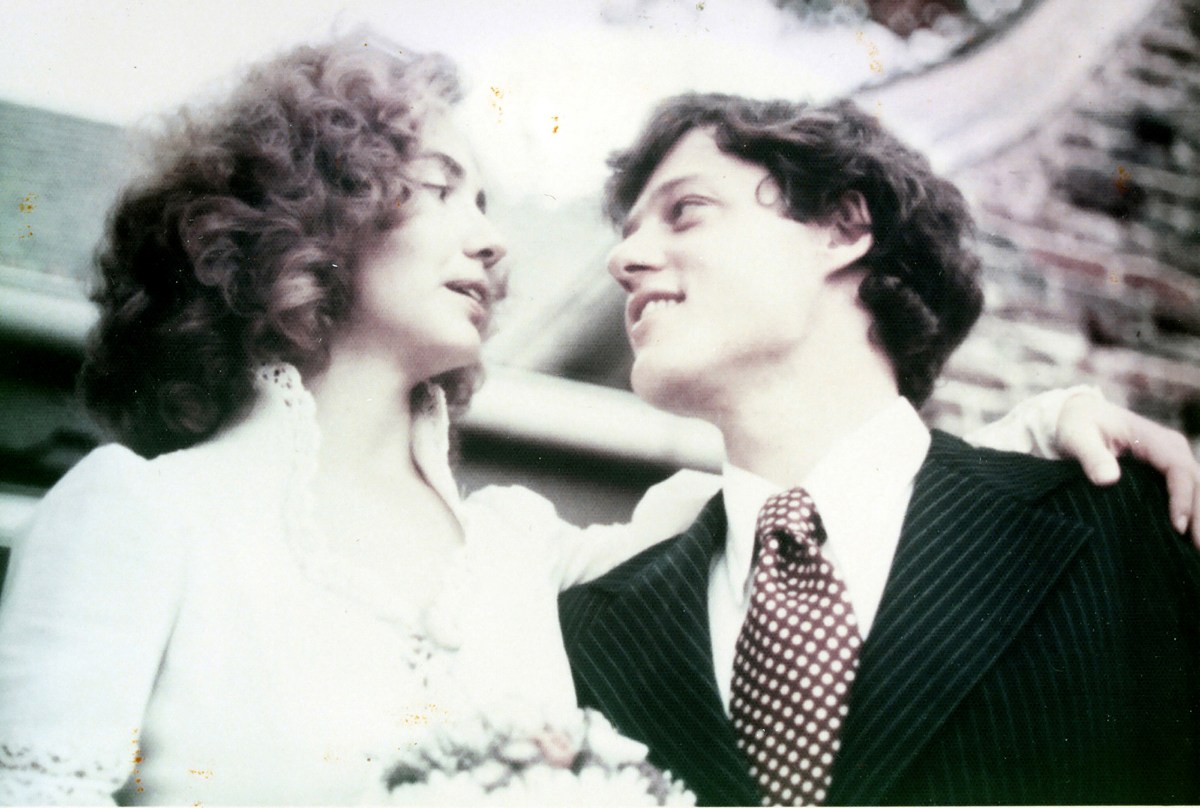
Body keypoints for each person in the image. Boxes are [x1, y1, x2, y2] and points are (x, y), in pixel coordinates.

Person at [0, 37, 1194, 806]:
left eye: (491, 200)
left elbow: (840, 495)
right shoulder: (142, 511)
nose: (499, 239)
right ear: (309, 218)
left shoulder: (531, 558)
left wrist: (1038, 431)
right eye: (440, 190)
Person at [559, 94, 1200, 805]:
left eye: (685, 210)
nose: (623, 258)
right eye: (628, 230)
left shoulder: (1123, 533)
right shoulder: (588, 628)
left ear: (842, 227)